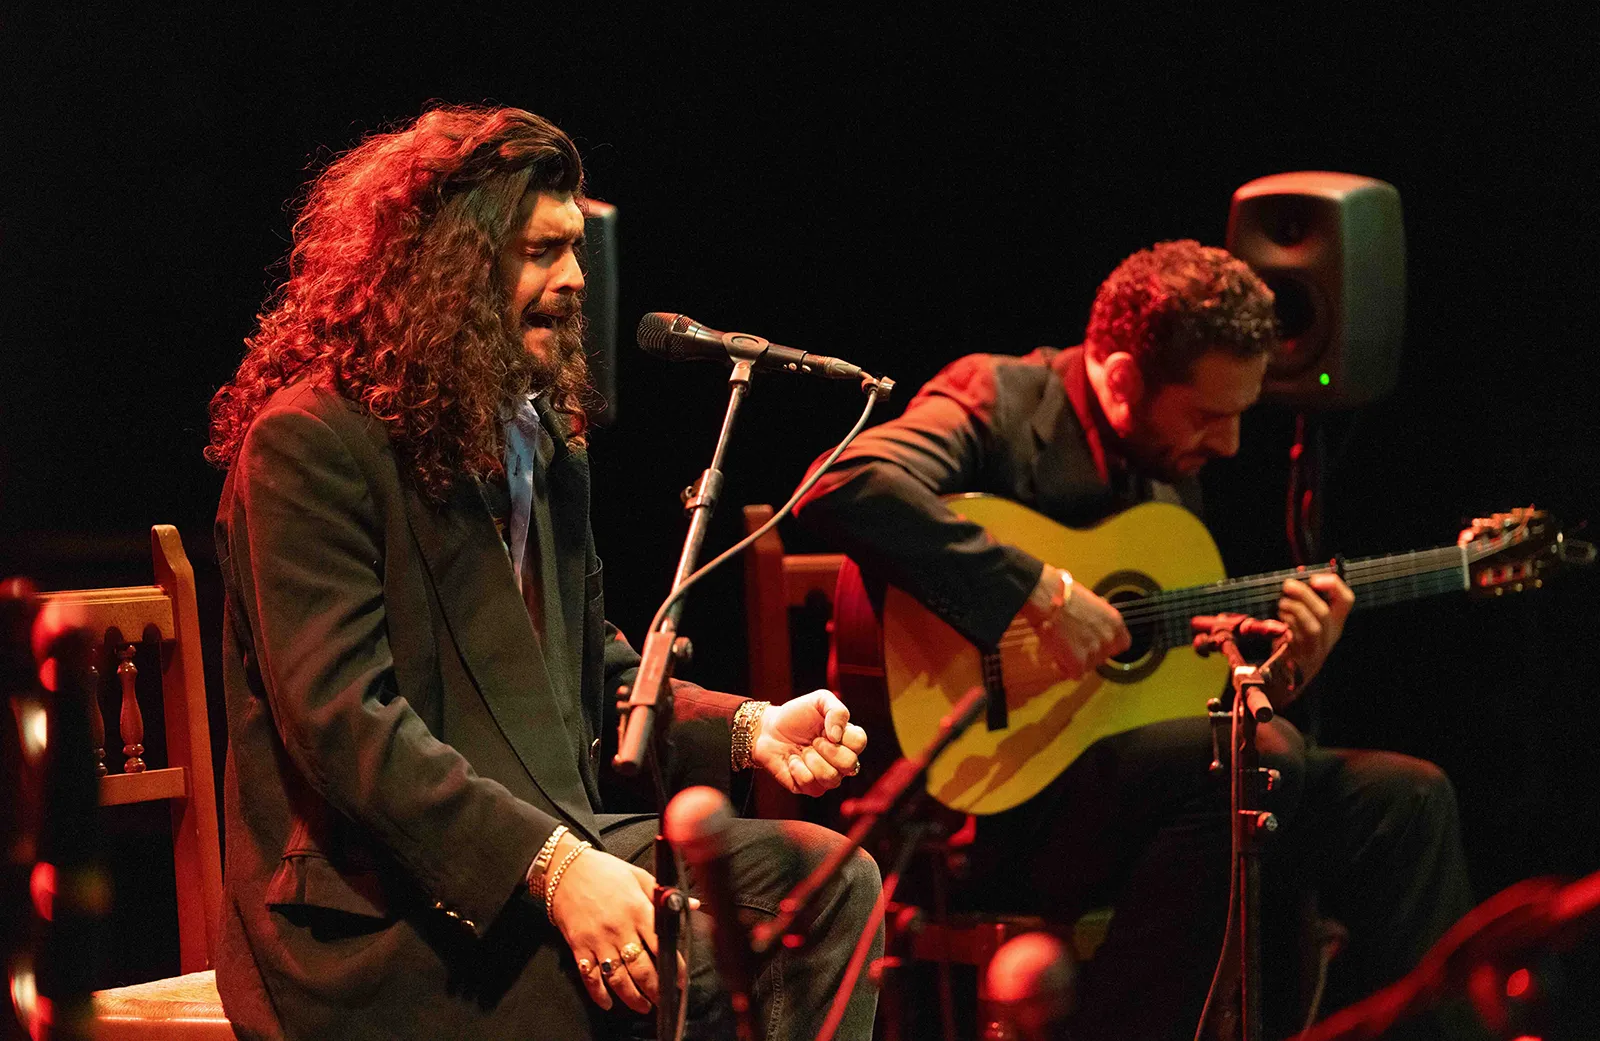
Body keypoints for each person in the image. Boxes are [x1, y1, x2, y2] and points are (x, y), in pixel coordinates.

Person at [205, 105, 881, 1041]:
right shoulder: (311, 444)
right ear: (446, 267)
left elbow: (586, 675)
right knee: (680, 969)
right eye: (540, 252)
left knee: (827, 883)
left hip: (548, 853)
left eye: (574, 249)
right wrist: (556, 869)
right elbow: (348, 728)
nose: (574, 279)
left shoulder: (539, 439)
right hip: (374, 915)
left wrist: (747, 728)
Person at [795, 240, 1474, 1039]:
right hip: (985, 804)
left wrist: (1278, 676)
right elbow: (842, 482)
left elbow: (1155, 697)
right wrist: (1036, 592)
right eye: (1208, 416)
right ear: (1120, 378)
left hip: (1134, 807)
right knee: (1254, 761)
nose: (1230, 445)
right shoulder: (997, 399)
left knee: (1406, 799)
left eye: (1240, 414)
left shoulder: (1165, 464)